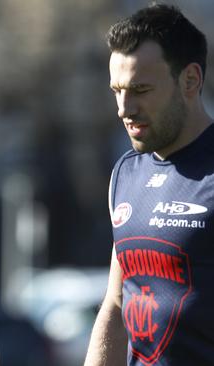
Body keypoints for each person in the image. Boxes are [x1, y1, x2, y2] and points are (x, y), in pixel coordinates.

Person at [84, 4, 213, 366]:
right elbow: (116, 303)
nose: (124, 108)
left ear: (190, 80)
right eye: (117, 90)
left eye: (140, 89)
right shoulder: (126, 173)